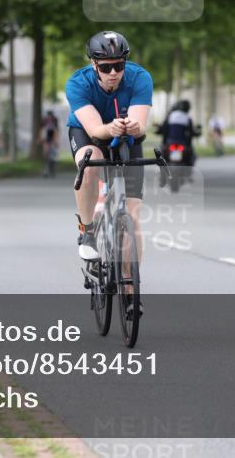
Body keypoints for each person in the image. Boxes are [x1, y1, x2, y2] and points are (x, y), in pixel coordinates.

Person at [66, 31, 152, 317]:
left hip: (127, 137)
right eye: (106, 67)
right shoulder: (78, 83)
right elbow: (94, 130)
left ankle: (130, 290)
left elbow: (141, 125)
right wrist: (110, 128)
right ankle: (87, 230)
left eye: (119, 66)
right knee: (91, 162)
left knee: (133, 215)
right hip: (90, 133)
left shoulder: (140, 78)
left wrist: (132, 128)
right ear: (94, 65)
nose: (113, 73)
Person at [38, 110, 59, 177]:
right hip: (47, 138)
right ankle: (46, 170)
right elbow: (41, 130)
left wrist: (56, 141)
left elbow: (56, 131)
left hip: (52, 138)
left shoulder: (54, 120)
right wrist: (40, 139)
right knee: (46, 154)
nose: (49, 118)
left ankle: (52, 170)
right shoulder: (44, 121)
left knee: (52, 155)